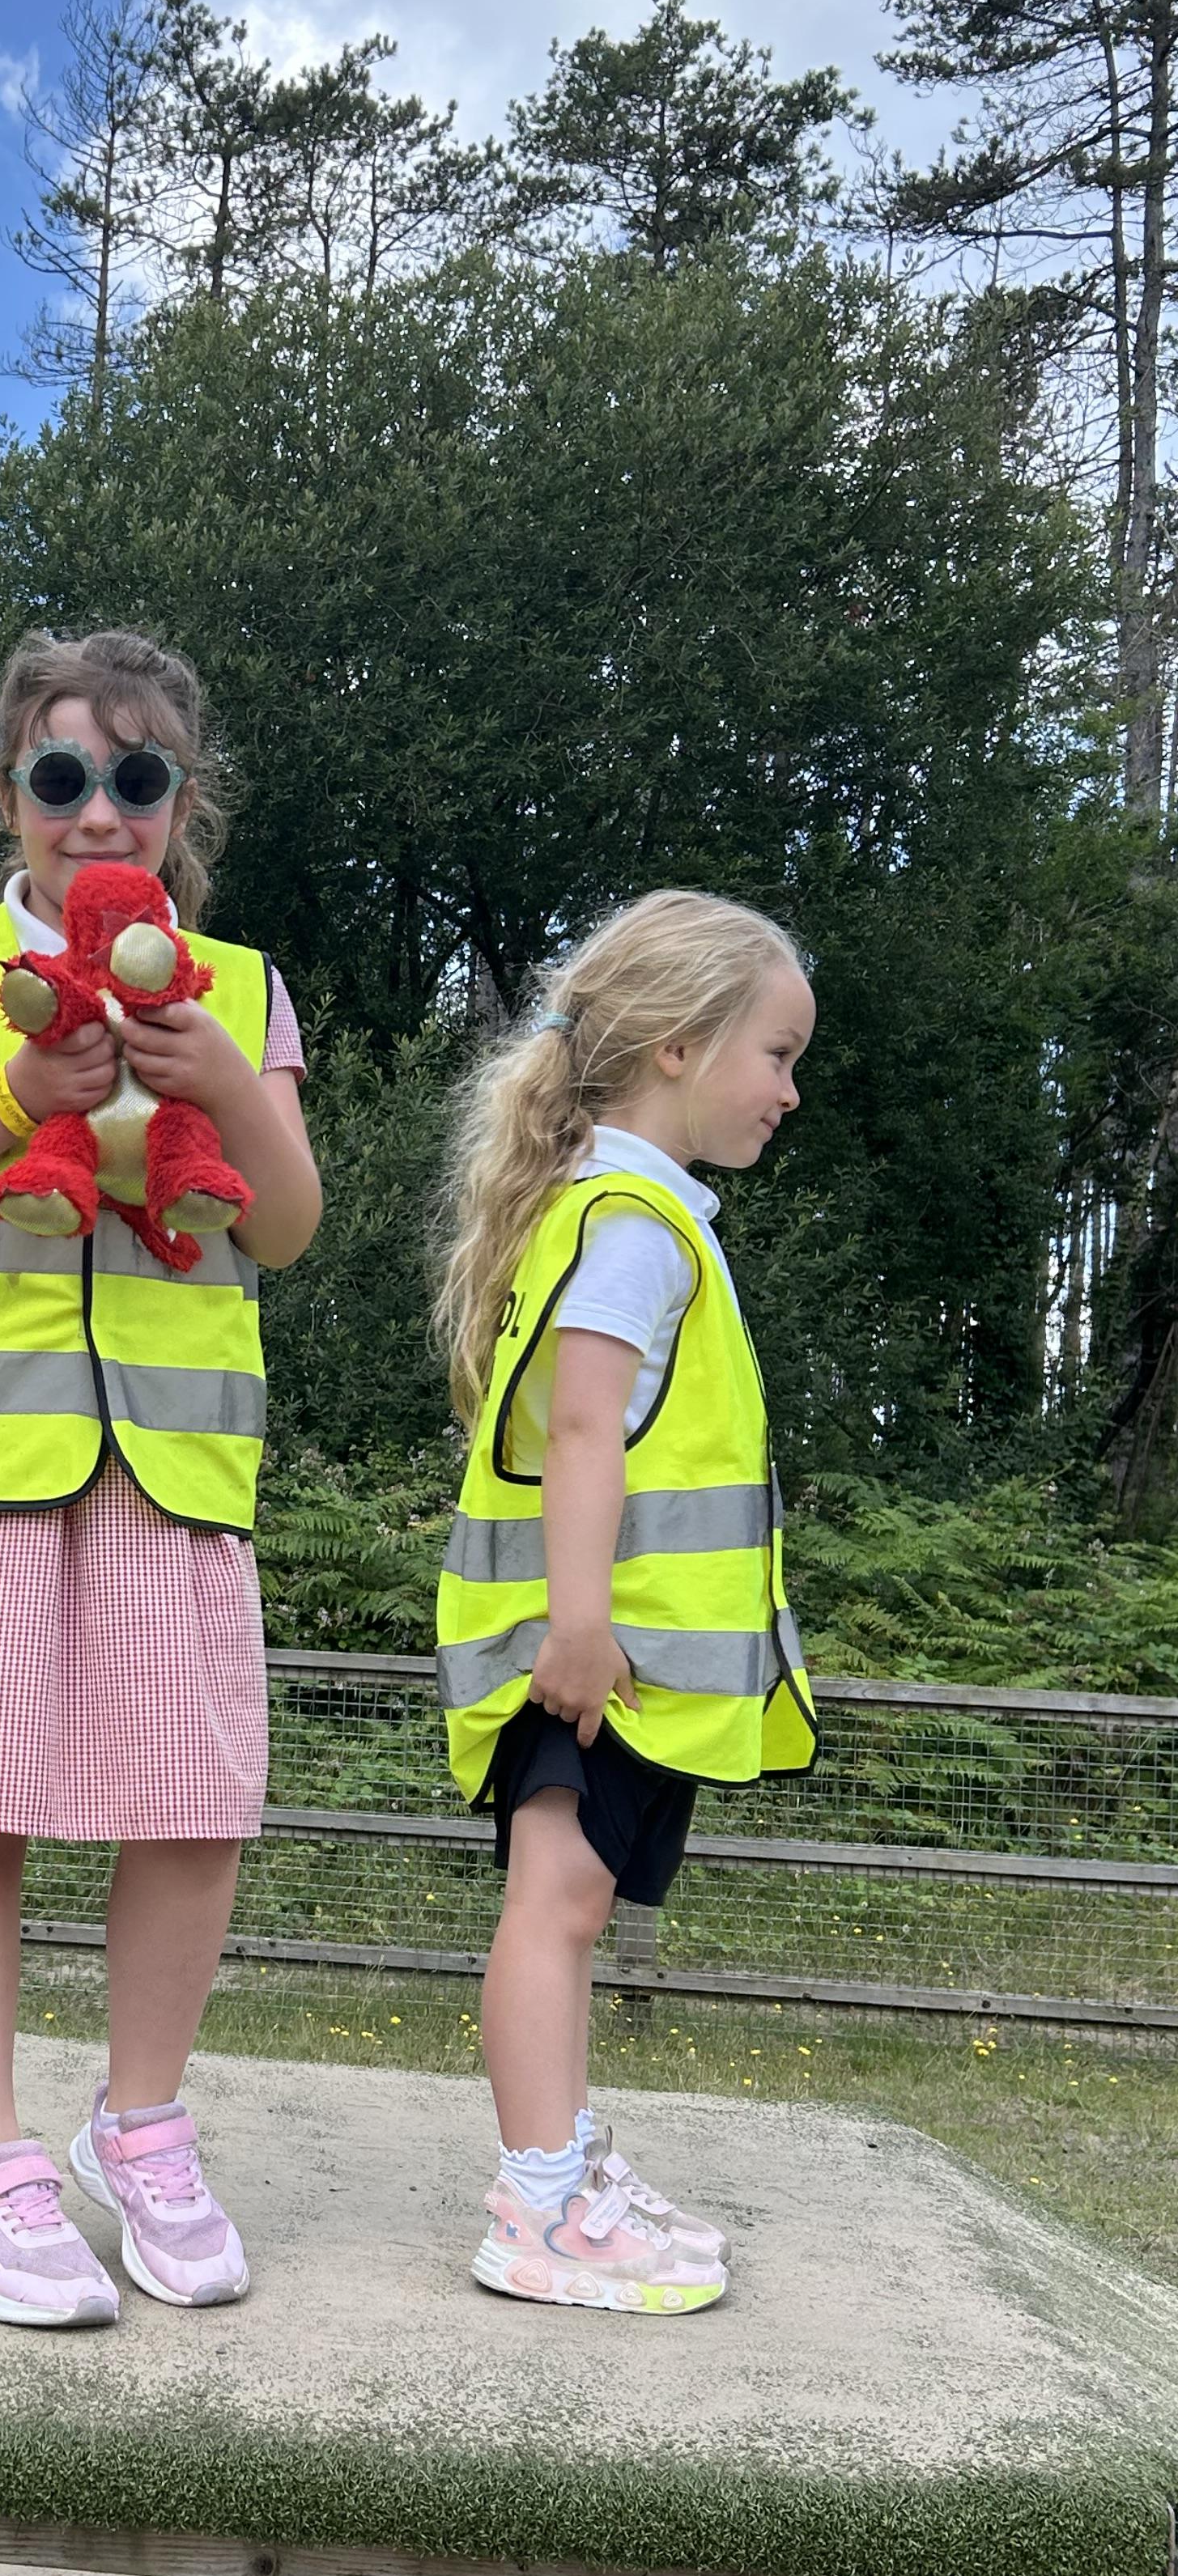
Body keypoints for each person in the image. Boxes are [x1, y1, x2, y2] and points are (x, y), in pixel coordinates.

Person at [0, 629, 321, 2328]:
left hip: (175, 1470)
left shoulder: (239, 987)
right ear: (9, 793)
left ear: (182, 802)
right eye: (60, 775)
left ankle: (142, 2126)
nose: (97, 811)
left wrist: (225, 1085)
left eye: (136, 776)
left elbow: (289, 1224)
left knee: (194, 1804)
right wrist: (12, 1094)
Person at [432, 888, 819, 2315]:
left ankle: (563, 2162)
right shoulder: (634, 1224)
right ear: (676, 1045)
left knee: (574, 1904)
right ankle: (539, 2206)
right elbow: (586, 1428)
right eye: (777, 1054)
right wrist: (580, 1628)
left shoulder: (636, 1214)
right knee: (559, 1904)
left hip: (616, 1650)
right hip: (595, 1652)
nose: (788, 1091)